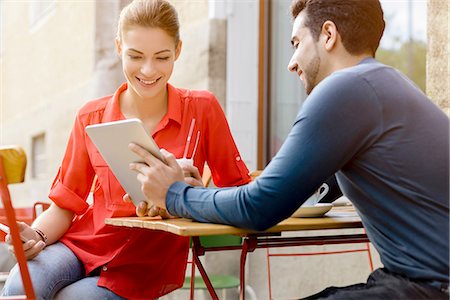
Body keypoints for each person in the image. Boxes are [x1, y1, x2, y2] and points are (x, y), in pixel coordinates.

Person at [127, 0, 450, 299]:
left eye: (296, 44)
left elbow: (260, 207)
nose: (291, 64)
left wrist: (175, 194)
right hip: (416, 281)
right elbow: (294, 188)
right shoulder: (385, 85)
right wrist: (195, 195)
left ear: (328, 35)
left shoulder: (345, 90)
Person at [1, 0, 250, 299]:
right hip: (81, 244)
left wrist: (196, 196)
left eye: (161, 57)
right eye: (135, 55)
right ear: (119, 47)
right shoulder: (89, 117)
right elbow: (66, 204)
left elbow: (239, 192)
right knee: (20, 285)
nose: (148, 70)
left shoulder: (202, 109)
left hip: (141, 266)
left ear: (178, 51)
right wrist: (36, 236)